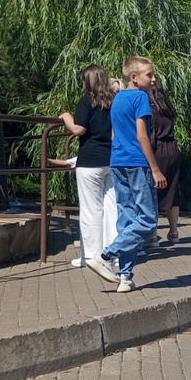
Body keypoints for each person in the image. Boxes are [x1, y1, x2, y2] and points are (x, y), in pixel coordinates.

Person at [93, 56, 167, 293]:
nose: (153, 79)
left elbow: (114, 133)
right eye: (149, 74)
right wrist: (155, 169)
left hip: (118, 162)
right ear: (134, 77)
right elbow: (142, 136)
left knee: (127, 219)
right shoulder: (140, 97)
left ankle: (125, 277)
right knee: (147, 219)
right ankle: (107, 254)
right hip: (137, 163)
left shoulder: (117, 99)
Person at [58, 65, 118, 268]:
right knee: (111, 208)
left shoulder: (86, 101)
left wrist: (66, 116)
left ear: (87, 81)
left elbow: (78, 129)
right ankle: (113, 253)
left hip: (90, 160)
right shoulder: (113, 101)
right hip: (110, 159)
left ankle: (92, 257)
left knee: (91, 210)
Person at [149, 82, 182, 243]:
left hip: (157, 150)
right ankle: (174, 232)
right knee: (172, 190)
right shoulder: (167, 109)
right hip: (172, 148)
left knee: (152, 192)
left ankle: (153, 235)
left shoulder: (150, 110)